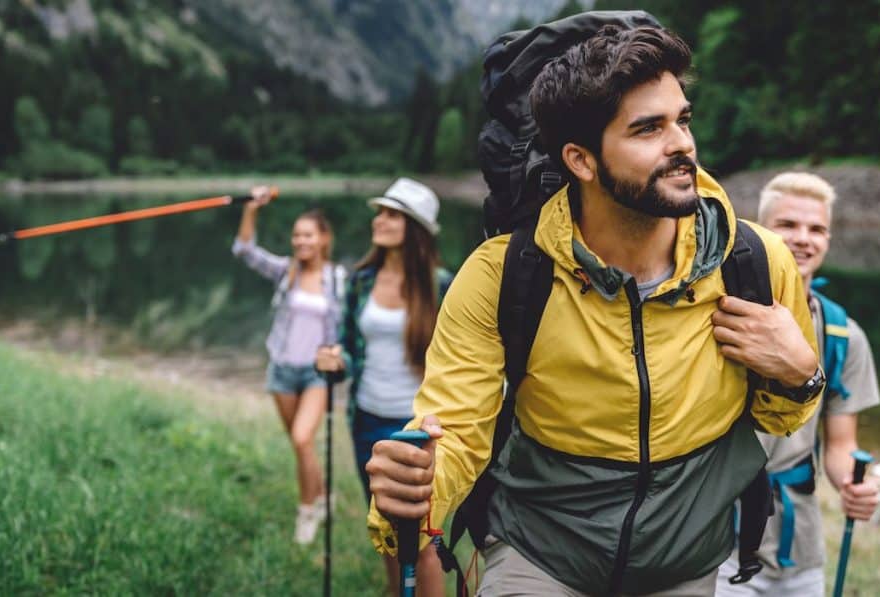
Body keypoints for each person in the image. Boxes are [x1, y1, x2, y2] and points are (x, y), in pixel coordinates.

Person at [361, 25, 826, 596]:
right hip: (539, 556)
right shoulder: (503, 274)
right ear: (580, 159)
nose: (681, 143)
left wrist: (803, 374)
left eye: (682, 119)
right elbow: (456, 430)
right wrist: (417, 487)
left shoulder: (753, 260)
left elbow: (779, 418)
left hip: (686, 566)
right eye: (648, 128)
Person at [717, 172, 880, 596]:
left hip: (801, 549)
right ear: (759, 229)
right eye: (788, 225)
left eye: (817, 229)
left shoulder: (844, 335)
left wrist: (854, 483)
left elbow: (841, 444)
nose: (803, 239)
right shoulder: (721, 315)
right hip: (719, 539)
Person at [315, 177, 450, 597]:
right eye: (380, 211)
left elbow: (458, 364)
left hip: (415, 428)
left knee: (422, 542)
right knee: (386, 534)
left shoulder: (442, 284)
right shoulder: (360, 281)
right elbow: (352, 348)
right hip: (367, 421)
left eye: (392, 214)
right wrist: (335, 361)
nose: (380, 219)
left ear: (414, 227)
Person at [232, 186, 346, 545]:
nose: (301, 241)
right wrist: (251, 209)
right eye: (297, 235)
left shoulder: (339, 279)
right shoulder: (287, 271)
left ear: (324, 238)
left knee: (301, 439)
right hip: (282, 369)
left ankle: (307, 512)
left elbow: (350, 324)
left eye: (308, 235)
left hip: (317, 372)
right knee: (302, 446)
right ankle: (325, 494)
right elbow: (244, 250)